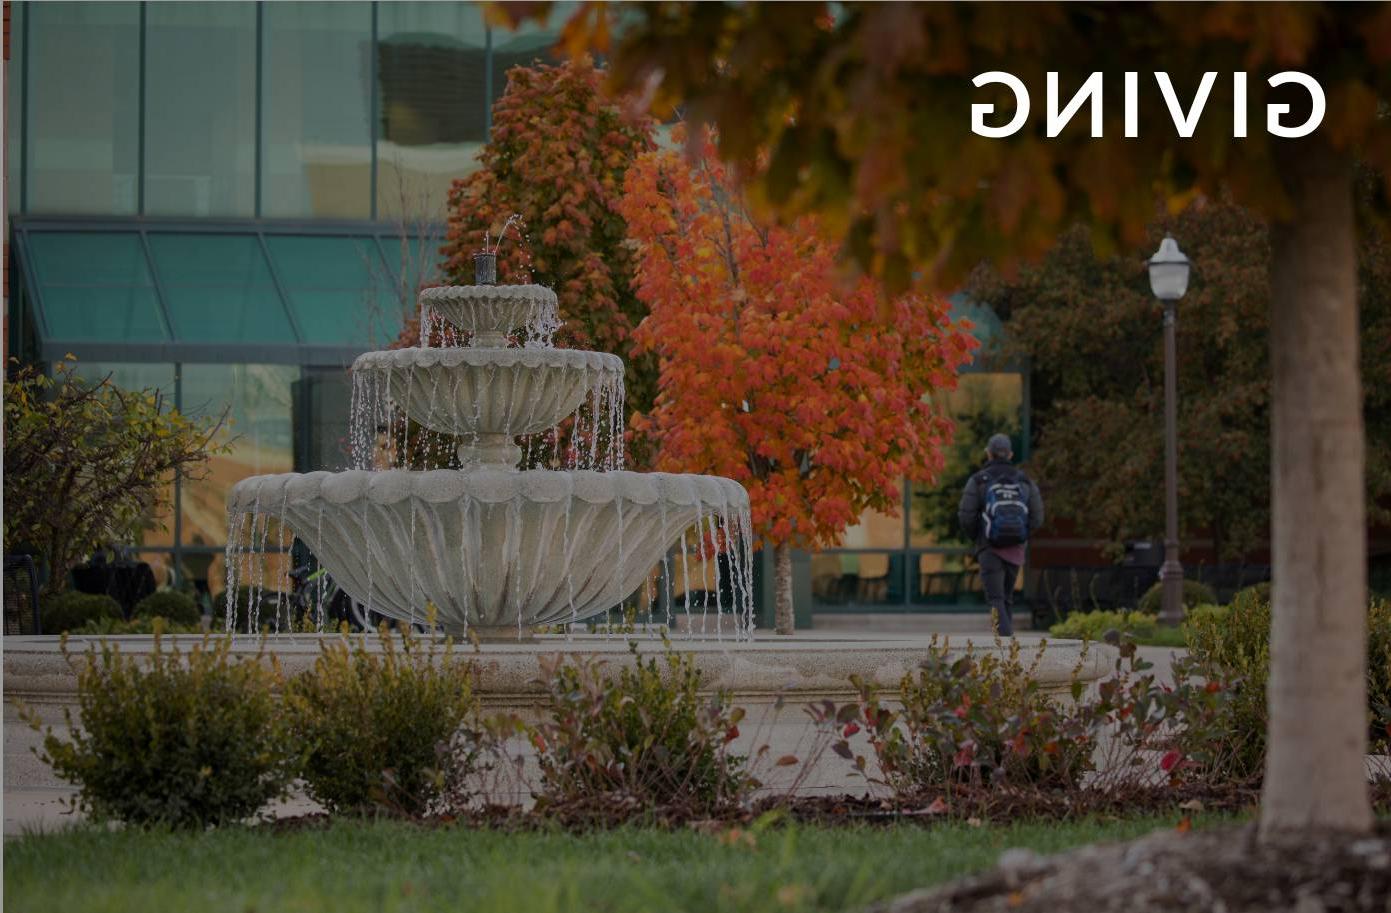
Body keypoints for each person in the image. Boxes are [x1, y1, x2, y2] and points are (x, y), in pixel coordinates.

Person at [957, 433, 1044, 637]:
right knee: (1007, 598)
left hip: (989, 548)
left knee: (996, 599)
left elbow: (966, 516)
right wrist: (1020, 535)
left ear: (989, 454)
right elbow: (1038, 516)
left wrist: (979, 539)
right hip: (1016, 549)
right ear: (1010, 454)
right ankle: (1008, 650)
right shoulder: (1024, 481)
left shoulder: (978, 480)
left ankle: (1004, 647)